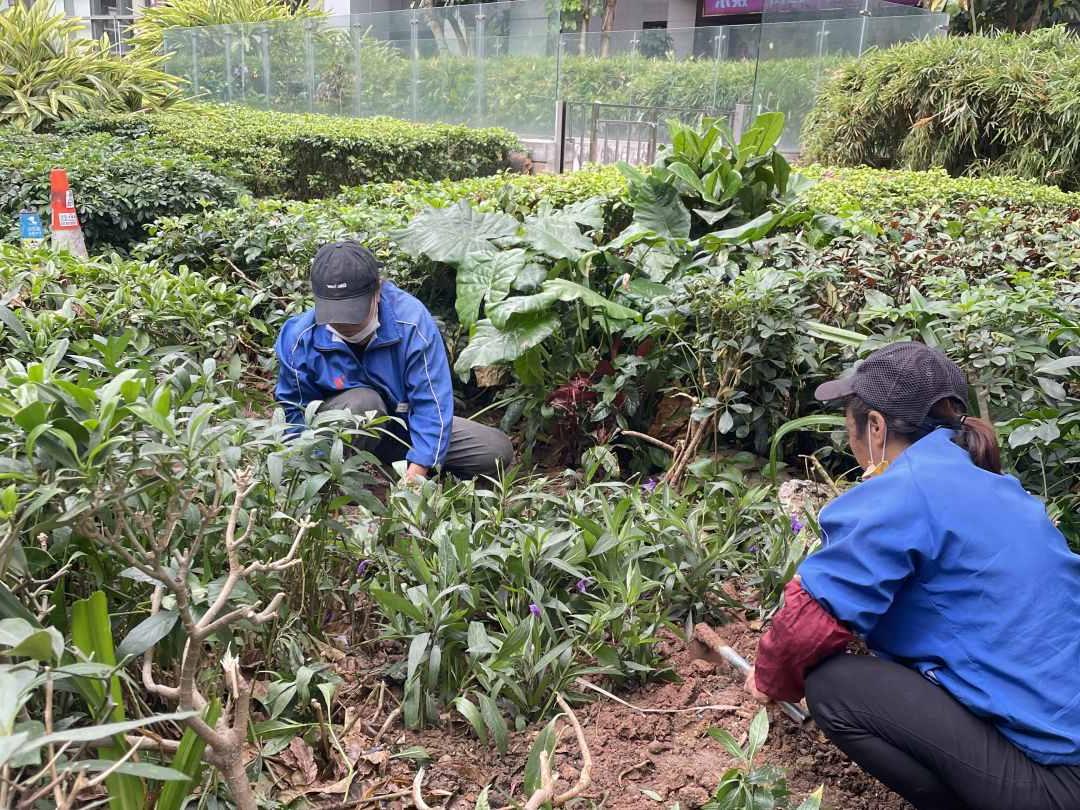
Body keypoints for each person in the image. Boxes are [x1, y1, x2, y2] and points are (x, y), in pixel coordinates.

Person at [747, 342, 1080, 810]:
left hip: (1057, 785)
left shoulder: (907, 489)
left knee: (834, 688)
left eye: (851, 426)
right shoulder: (998, 488)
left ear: (876, 427)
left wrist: (768, 679)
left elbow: (807, 623)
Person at [274, 241, 514, 482]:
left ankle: (398, 467)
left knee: (493, 449)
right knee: (364, 403)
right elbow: (295, 415)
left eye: (353, 314)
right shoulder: (299, 338)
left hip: (405, 428)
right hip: (341, 433)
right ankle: (335, 479)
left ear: (377, 291)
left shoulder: (411, 323)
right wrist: (307, 474)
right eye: (335, 315)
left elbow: (432, 404)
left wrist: (418, 470)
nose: (344, 325)